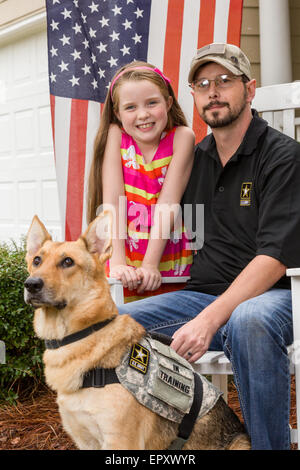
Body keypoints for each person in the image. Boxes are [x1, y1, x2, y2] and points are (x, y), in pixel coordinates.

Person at [117, 43, 300, 450]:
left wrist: (209, 320)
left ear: (249, 89)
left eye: (224, 81)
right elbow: (153, 207)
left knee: (248, 320)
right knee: (112, 325)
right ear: (193, 96)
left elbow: (273, 260)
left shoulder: (282, 157)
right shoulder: (195, 159)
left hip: (275, 300)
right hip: (202, 298)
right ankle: (174, 445)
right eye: (202, 84)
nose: (213, 91)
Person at [87, 61, 194, 301]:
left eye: (152, 103)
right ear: (117, 113)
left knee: (164, 331)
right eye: (130, 107)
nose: (143, 114)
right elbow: (113, 202)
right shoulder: (116, 137)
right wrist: (117, 263)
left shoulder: (182, 138)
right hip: (122, 259)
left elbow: (169, 202)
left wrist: (150, 265)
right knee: (122, 328)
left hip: (166, 262)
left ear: (168, 103)